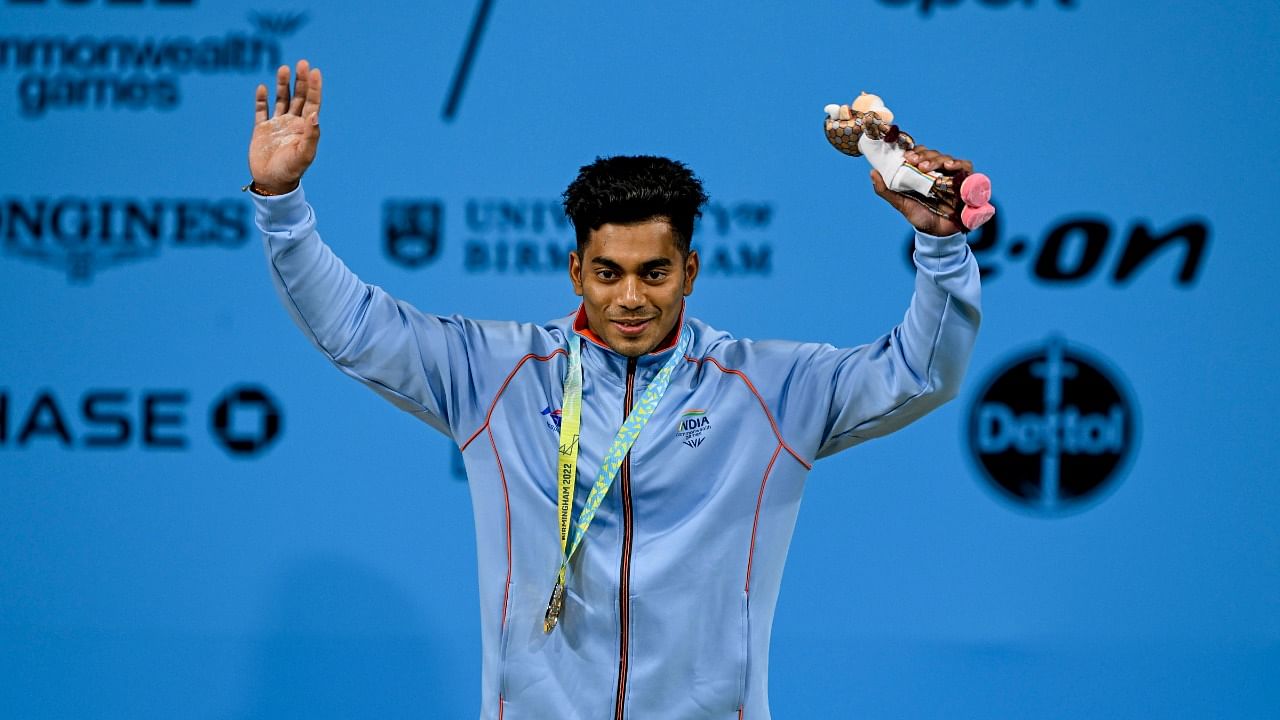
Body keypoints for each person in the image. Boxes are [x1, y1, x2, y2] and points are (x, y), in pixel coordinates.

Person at [246, 60, 982, 720]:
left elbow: (921, 374)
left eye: (654, 273)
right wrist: (280, 201)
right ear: (576, 273)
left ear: (690, 272)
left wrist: (942, 247)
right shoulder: (497, 374)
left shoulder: (767, 389)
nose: (631, 297)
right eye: (608, 273)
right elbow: (352, 328)